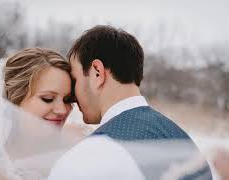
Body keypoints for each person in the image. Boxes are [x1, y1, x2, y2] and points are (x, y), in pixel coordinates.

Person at [48, 25, 213, 180]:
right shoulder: (185, 144)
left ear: (97, 73)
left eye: (75, 80)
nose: (73, 97)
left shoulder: (88, 157)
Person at [0, 48, 85, 180]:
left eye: (67, 100)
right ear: (13, 100)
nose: (63, 110)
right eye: (47, 98)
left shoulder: (80, 138)